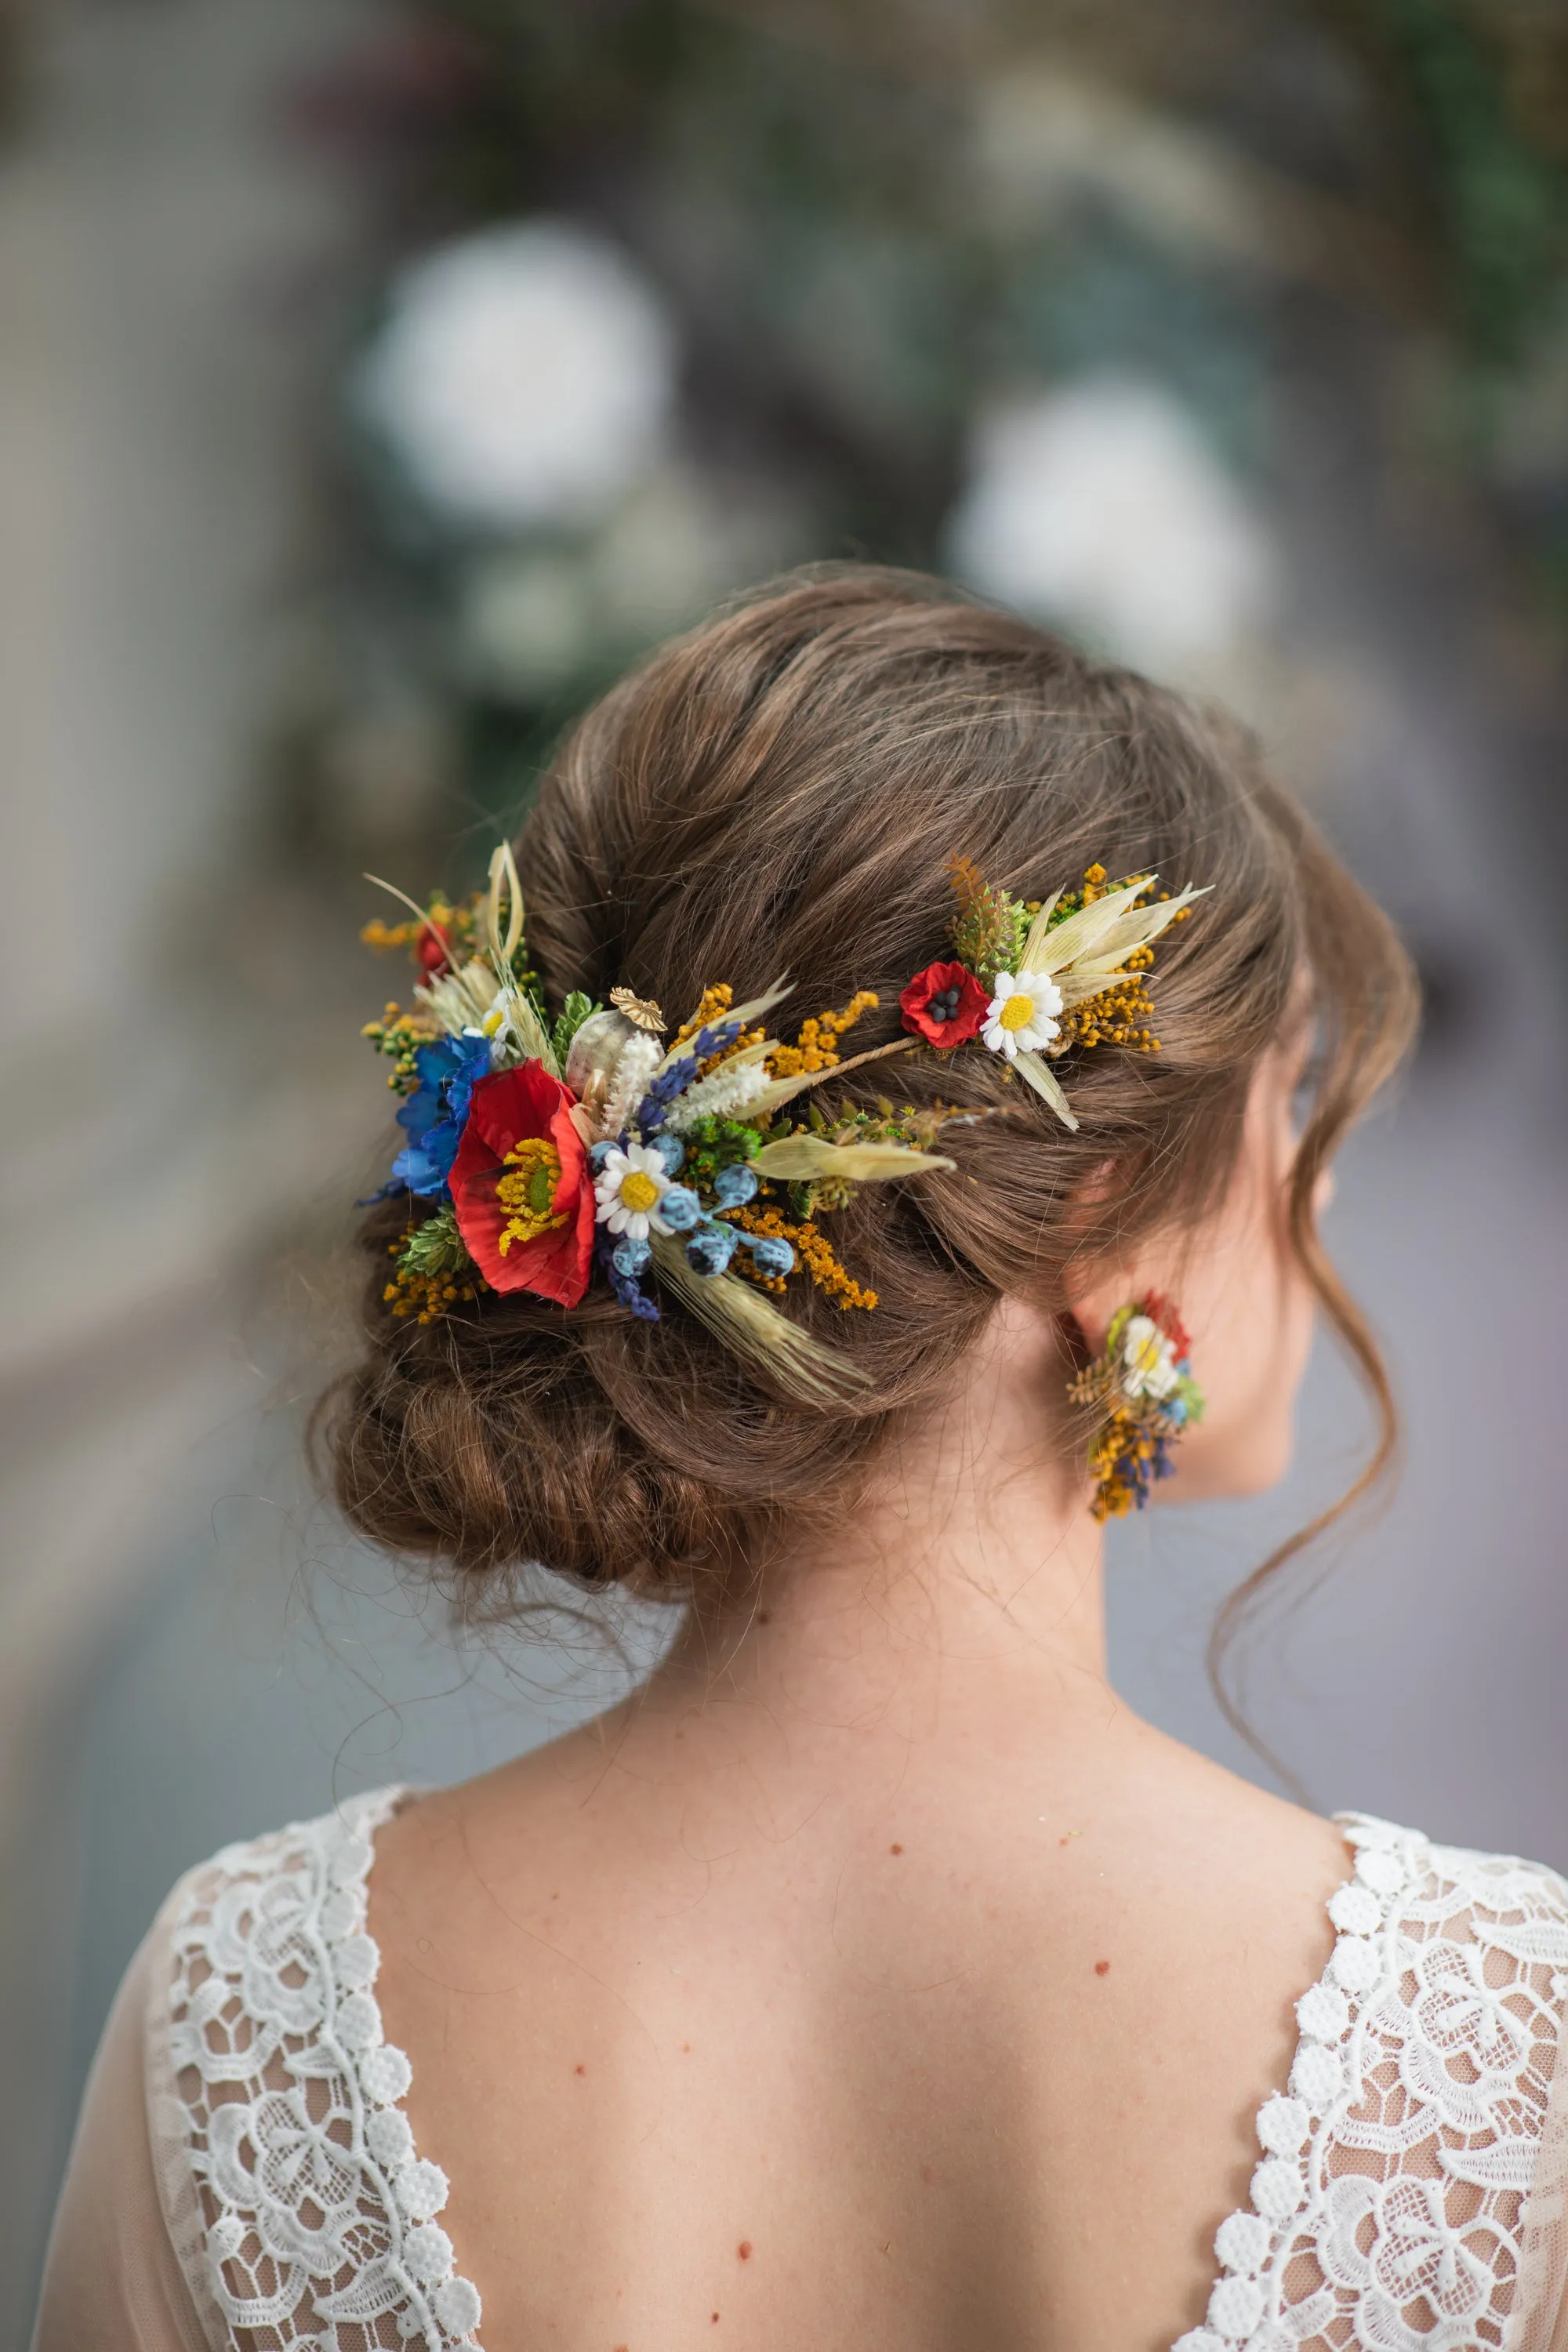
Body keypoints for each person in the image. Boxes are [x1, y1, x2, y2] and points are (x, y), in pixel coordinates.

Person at [34, 568, 1568, 2352]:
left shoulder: (235, 2020)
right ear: (1089, 1216)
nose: (1317, 1200)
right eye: (1285, 1100)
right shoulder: (1496, 2065)